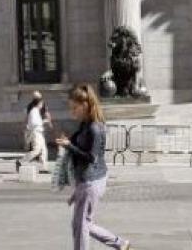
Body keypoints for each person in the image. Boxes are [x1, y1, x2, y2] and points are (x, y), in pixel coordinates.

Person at [55, 83, 130, 250]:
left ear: (85, 105)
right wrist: (68, 142)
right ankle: (120, 243)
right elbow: (77, 143)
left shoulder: (94, 128)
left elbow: (91, 158)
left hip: (91, 180)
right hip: (86, 180)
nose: (72, 112)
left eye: (74, 108)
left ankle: (119, 243)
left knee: (81, 226)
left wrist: (69, 146)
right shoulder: (85, 124)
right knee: (81, 224)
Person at [17, 91, 52, 173]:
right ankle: (20, 161)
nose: (42, 105)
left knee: (44, 150)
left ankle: (43, 168)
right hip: (36, 133)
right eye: (41, 103)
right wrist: (44, 121)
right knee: (37, 150)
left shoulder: (35, 110)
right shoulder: (33, 111)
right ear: (38, 103)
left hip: (39, 132)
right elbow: (33, 123)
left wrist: (45, 121)